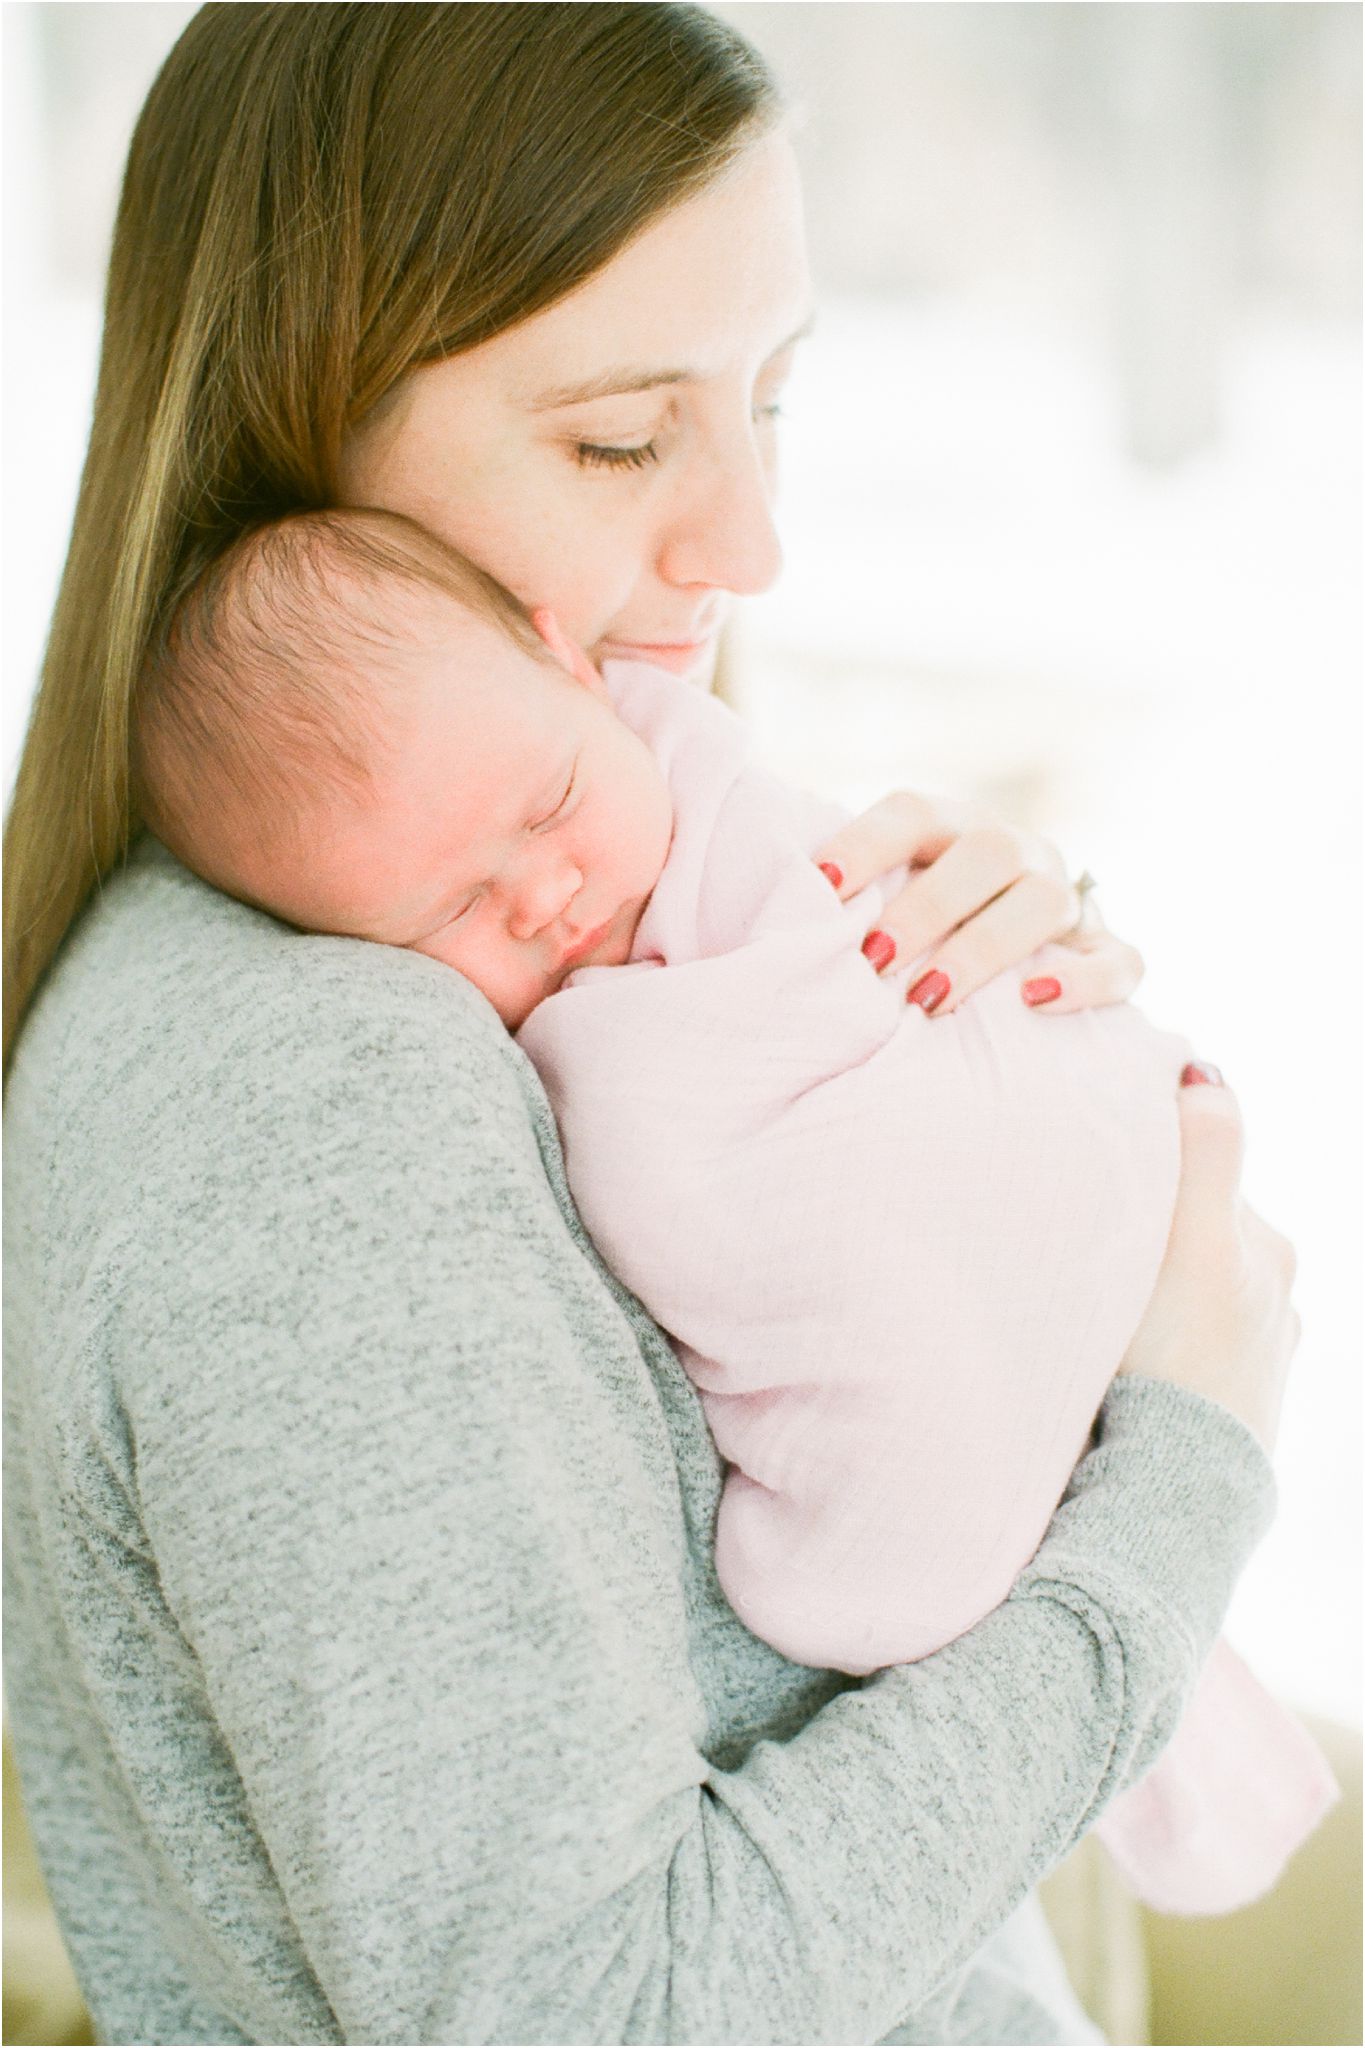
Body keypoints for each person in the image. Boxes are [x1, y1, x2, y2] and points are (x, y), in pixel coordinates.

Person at [1, 8, 1304, 2044]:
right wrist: (1179, 1475)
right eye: (620, 436)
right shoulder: (318, 1107)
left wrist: (936, 1082)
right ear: (292, 412)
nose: (753, 549)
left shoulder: (428, 962)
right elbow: (587, 2009)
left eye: (767, 400)